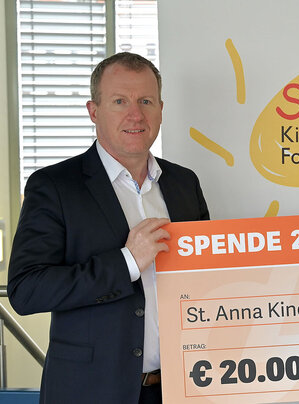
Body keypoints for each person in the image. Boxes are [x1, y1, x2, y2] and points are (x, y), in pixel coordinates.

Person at [8, 52, 209, 404]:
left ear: (161, 109)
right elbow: (26, 291)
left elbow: (206, 277)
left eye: (146, 101)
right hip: (91, 392)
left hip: (180, 388)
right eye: (120, 101)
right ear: (94, 111)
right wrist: (127, 262)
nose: (136, 114)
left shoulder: (184, 183)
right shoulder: (55, 186)